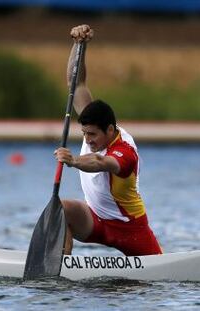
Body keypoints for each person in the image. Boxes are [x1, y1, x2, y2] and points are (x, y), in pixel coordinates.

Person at [55, 25, 162, 256]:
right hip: (96, 220)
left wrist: (72, 161)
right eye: (84, 134)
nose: (87, 139)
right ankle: (62, 264)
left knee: (155, 278)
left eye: (92, 135)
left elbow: (101, 163)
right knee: (60, 208)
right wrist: (79, 45)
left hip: (131, 229)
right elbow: (77, 84)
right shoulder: (93, 126)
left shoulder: (125, 151)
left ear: (110, 130)